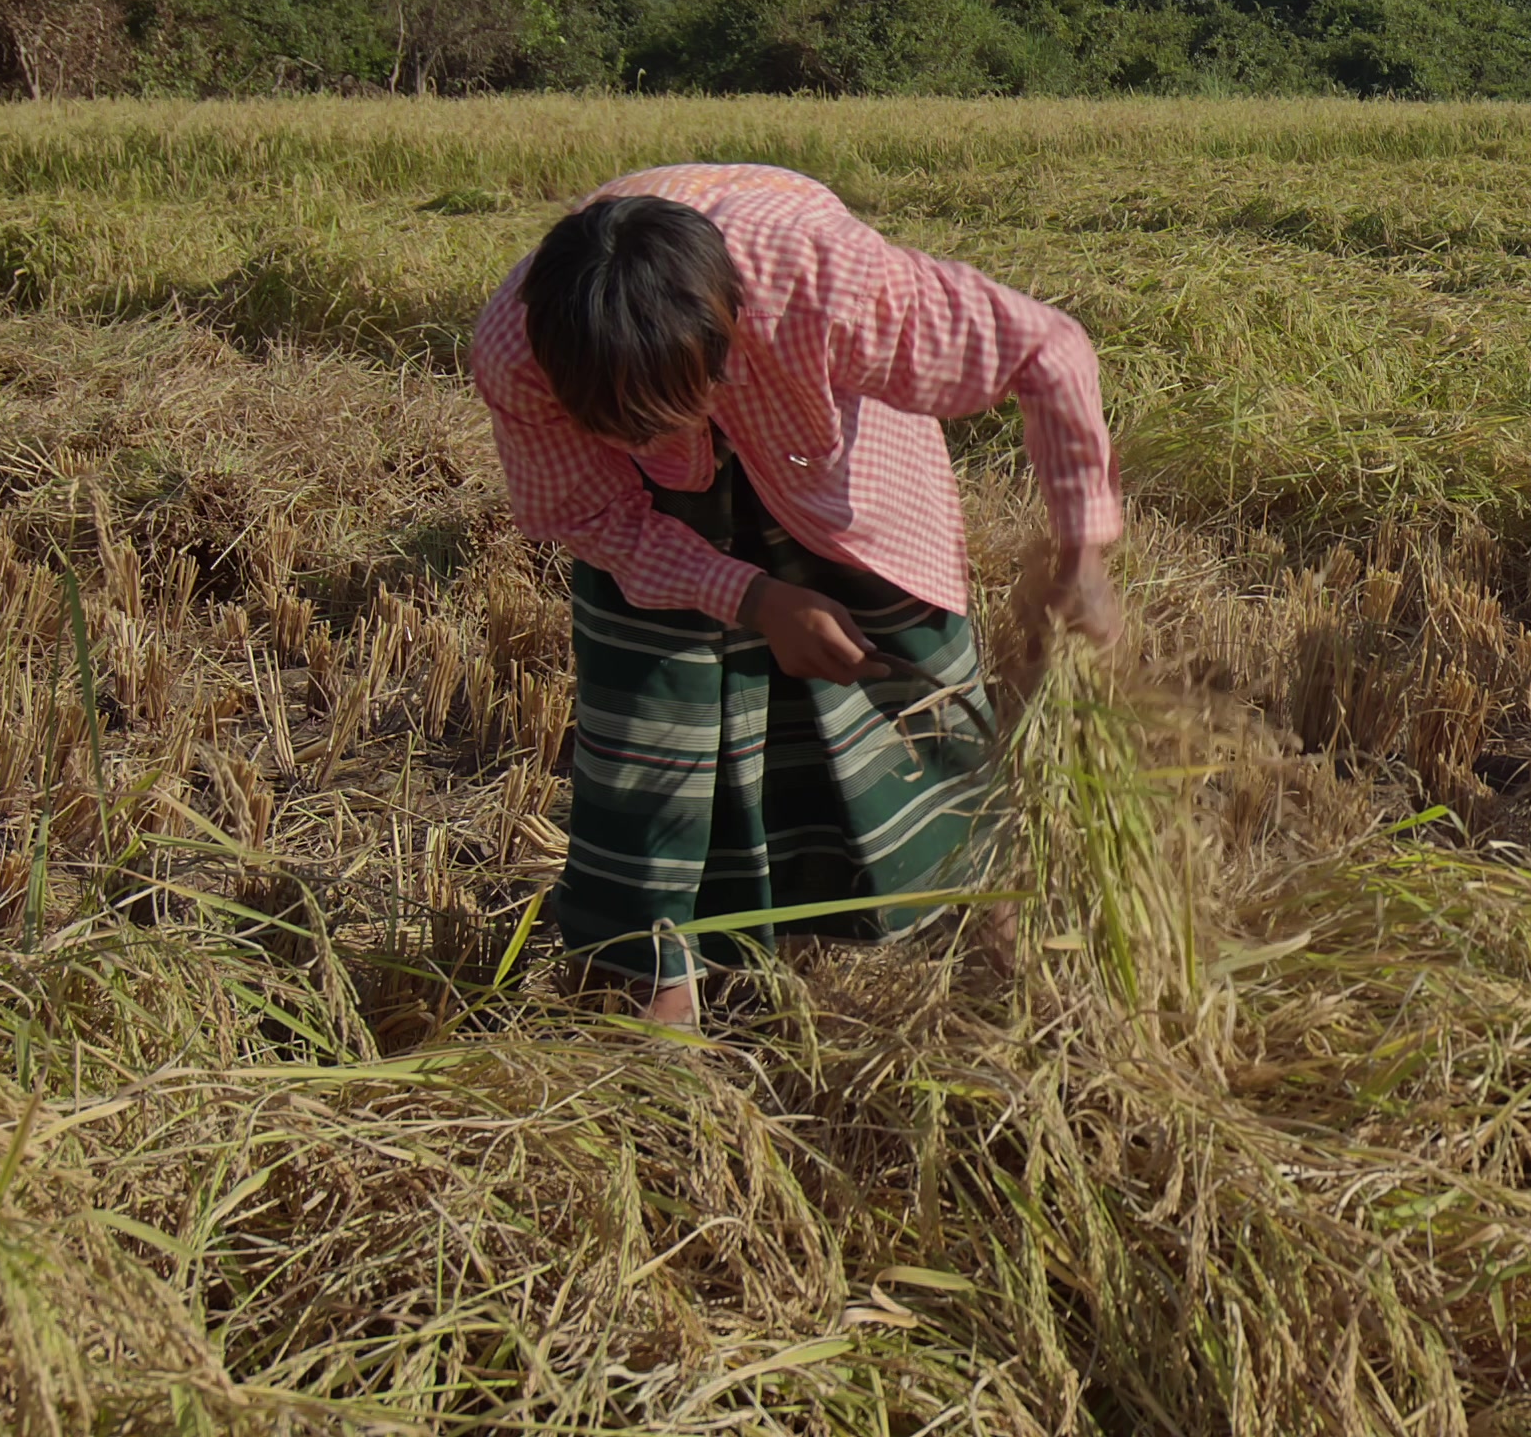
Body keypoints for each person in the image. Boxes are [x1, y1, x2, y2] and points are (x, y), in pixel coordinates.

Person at [470, 163, 1123, 1031]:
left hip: (827, 453)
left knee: (920, 703)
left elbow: (1049, 350)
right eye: (623, 425)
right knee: (655, 738)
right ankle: (657, 1000)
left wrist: (1081, 554)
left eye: (671, 411)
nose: (654, 436)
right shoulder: (519, 356)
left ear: (731, 341)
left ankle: (998, 951)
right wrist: (750, 598)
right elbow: (594, 512)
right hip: (647, 505)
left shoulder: (829, 291)